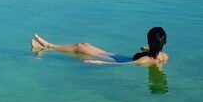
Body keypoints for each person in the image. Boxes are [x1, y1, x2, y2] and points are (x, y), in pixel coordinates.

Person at [30, 27, 168, 66]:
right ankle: (46, 47)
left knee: (80, 47)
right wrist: (146, 49)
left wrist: (99, 62)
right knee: (84, 44)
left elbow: (123, 65)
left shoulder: (145, 60)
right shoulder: (163, 56)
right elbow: (155, 56)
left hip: (113, 59)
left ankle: (47, 46)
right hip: (115, 55)